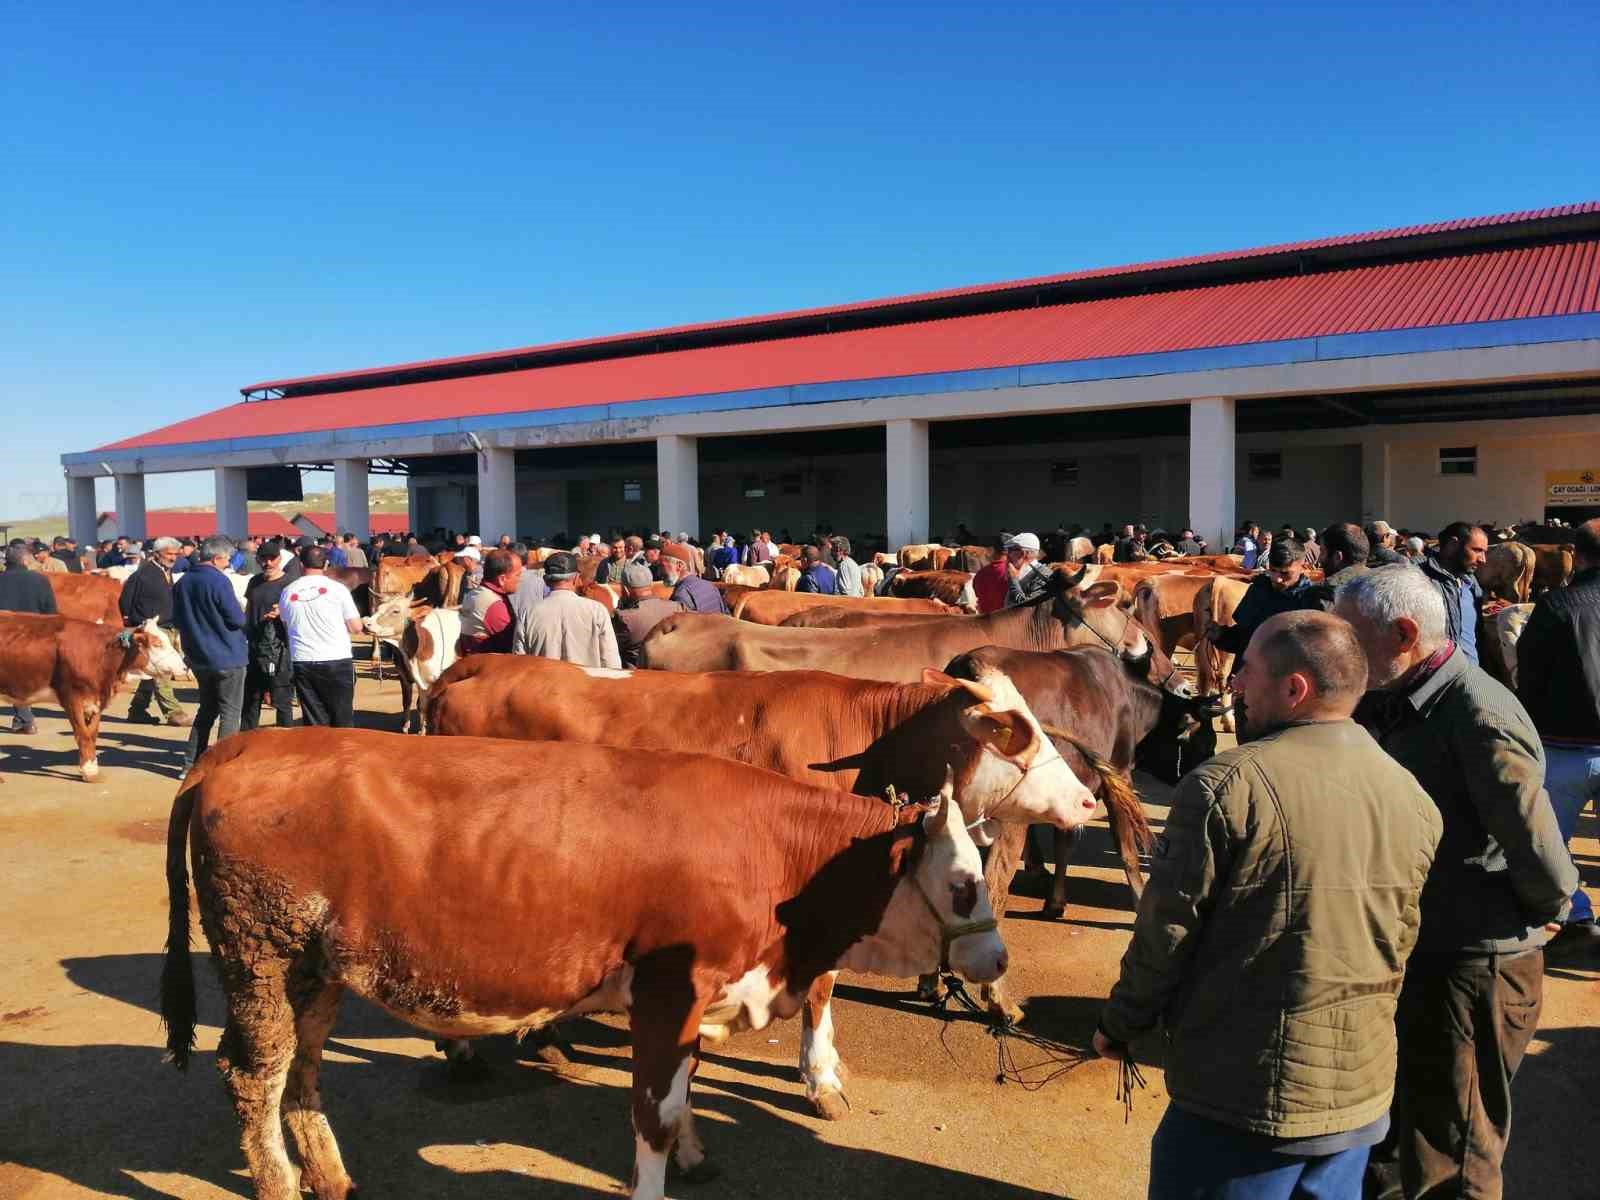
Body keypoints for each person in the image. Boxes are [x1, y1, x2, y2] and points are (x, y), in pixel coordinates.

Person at [1095, 610, 1442, 1199]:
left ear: (1293, 688)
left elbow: (1167, 933)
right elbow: (1400, 937)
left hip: (1242, 1099)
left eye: (1245, 671)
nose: (1233, 685)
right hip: (1358, 1091)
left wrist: (1122, 1023)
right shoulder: (1410, 793)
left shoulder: (1225, 786)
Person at [1336, 566, 1577, 1200]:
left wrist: (1540, 912)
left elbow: (1544, 862)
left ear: (1404, 634)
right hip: (1428, 949)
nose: (1342, 651)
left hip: (1476, 965)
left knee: (1454, 1150)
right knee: (1402, 1133)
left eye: (1352, 637)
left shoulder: (1478, 715)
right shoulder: (1404, 700)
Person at [1515, 516, 1600, 957]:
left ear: (1577, 556)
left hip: (1563, 749)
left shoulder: (1556, 607)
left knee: (1551, 843)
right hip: (1569, 745)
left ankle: (1580, 914)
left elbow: (1527, 677)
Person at [171, 536, 248, 778]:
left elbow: (178, 619)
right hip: (227, 655)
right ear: (217, 558)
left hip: (199, 656)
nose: (228, 563)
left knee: (206, 711)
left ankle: (190, 764)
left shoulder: (182, 582)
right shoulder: (219, 581)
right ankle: (223, 766)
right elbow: (236, 619)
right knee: (230, 713)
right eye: (226, 559)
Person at [1207, 540, 1319, 679]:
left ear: (1304, 567)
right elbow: (1244, 637)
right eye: (1273, 570)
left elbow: (1306, 657)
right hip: (1247, 682)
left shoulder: (1311, 602)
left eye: (1285, 573)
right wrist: (1221, 635)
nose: (1277, 579)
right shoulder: (1260, 588)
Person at [278, 545, 364, 727]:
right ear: (326, 564)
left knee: (314, 721)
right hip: (336, 659)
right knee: (342, 718)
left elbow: (286, 623)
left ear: (301, 565)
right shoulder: (338, 589)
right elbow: (356, 627)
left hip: (303, 660)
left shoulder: (288, 591)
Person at [119, 536, 191, 727]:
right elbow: (125, 601)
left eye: (175, 554)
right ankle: (174, 712)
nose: (173, 557)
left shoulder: (166, 572)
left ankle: (137, 709)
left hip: (167, 626)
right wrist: (135, 624)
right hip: (151, 630)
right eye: (169, 554)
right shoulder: (142, 575)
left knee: (152, 672)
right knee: (162, 670)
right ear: (156, 554)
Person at [512, 551, 620, 668]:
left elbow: (519, 663)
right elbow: (611, 662)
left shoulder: (528, 613)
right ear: (576, 578)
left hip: (544, 685)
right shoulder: (597, 611)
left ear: (546, 580)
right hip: (586, 685)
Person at [0, 544, 58, 732]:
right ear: (25, 561)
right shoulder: (39, 580)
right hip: (32, 636)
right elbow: (50, 612)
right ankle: (24, 719)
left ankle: (23, 719)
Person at [240, 539, 295, 731]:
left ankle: (286, 743)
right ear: (258, 559)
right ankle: (247, 741)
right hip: (254, 647)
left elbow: (298, 615)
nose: (268, 563)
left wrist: (283, 612)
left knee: (282, 701)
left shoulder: (289, 584)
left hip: (280, 650)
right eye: (264, 559)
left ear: (279, 559)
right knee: (250, 701)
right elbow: (249, 610)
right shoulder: (254, 582)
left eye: (272, 559)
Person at [1419, 521, 1487, 665]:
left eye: (1484, 552)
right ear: (1452, 545)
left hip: (1471, 676)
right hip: (1437, 681)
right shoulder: (1417, 578)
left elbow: (1477, 635)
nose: (1483, 559)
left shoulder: (1472, 583)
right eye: (1477, 550)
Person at [613, 563, 684, 667]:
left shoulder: (624, 617)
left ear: (626, 590)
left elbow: (614, 648)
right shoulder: (677, 607)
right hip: (671, 672)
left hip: (637, 675)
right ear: (650, 585)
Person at [458, 548, 522, 655]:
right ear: (502, 579)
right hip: (491, 666)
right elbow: (513, 643)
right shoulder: (494, 605)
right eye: (517, 575)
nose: (520, 580)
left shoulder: (474, 594)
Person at [661, 554, 727, 613]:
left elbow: (680, 624)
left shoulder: (682, 594)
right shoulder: (710, 585)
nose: (659, 572)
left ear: (679, 565)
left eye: (661, 566)